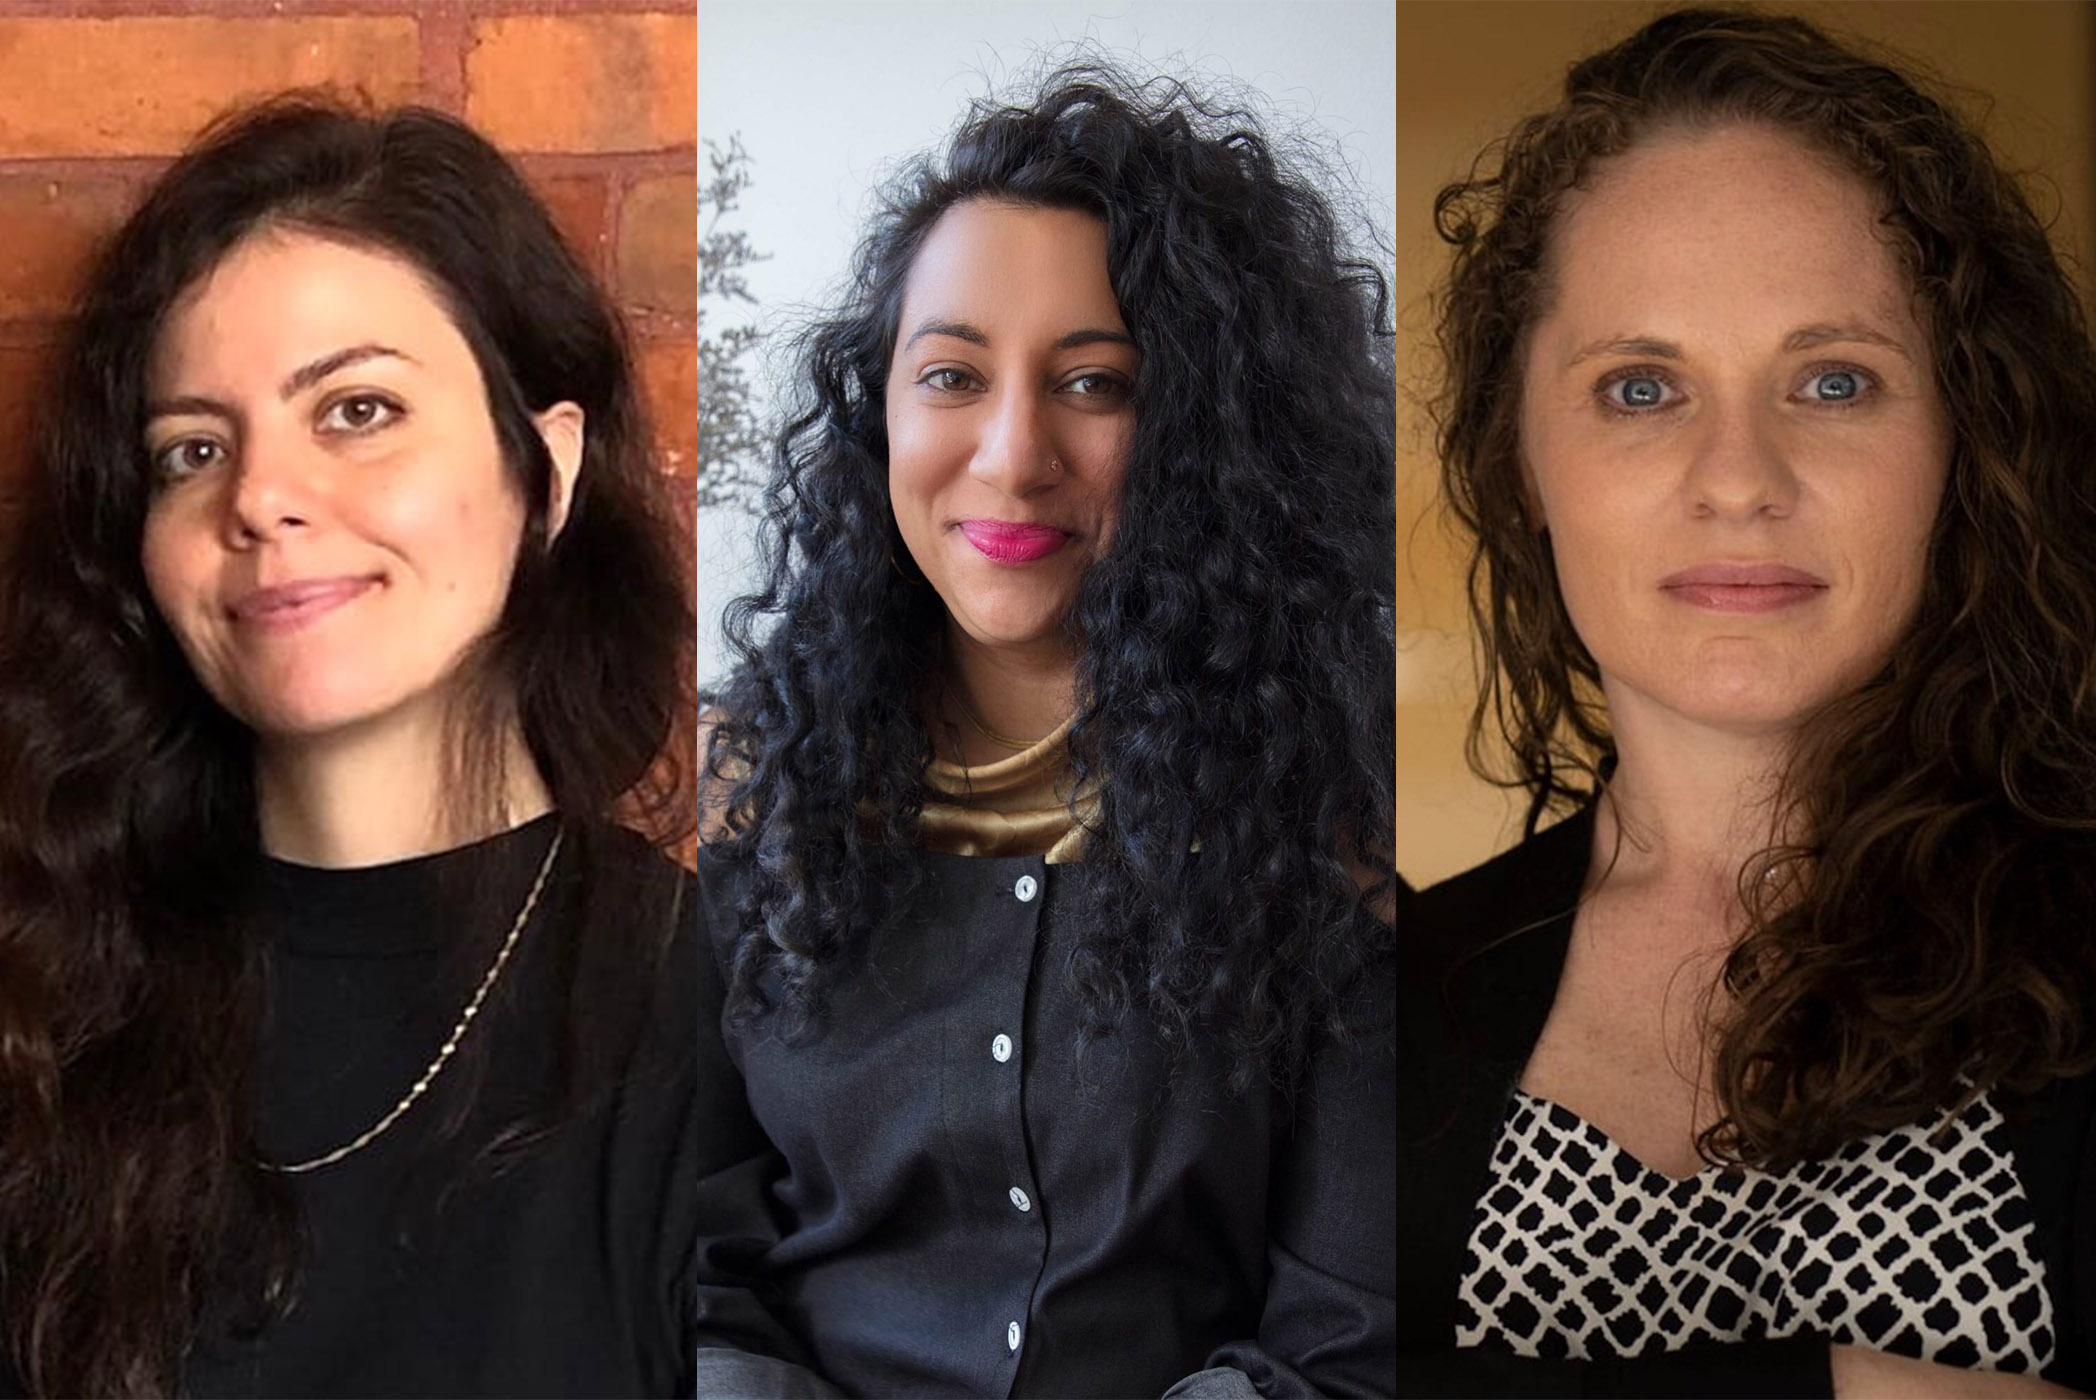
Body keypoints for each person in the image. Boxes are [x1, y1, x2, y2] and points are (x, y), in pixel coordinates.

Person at [1405, 9, 2092, 1397]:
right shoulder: (1387, 994)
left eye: (1834, 381)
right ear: (1523, 458)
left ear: (1962, 434)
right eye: (1640, 387)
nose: (1738, 479)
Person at [697, 63, 1398, 1398]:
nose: (1014, 455)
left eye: (1094, 384)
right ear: (879, 412)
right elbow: (688, 1268)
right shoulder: (750, 790)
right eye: (952, 375)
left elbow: (1346, 1344)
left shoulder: (1337, 822)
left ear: (1209, 431)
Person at [0, 98, 697, 1397]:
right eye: (192, 450)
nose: (261, 497)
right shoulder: (46, 1009)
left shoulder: (730, 1026)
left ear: (544, 474)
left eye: (357, 409)